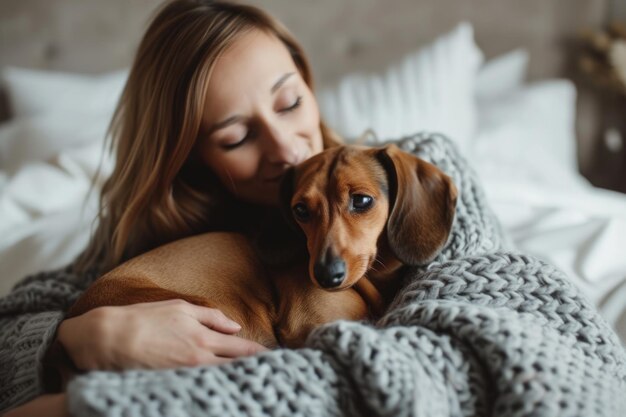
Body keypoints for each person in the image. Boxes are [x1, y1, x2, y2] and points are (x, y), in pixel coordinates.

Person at [1, 0, 341, 415]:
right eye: (236, 138)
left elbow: (438, 343)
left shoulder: (412, 178)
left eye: (289, 103)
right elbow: (12, 323)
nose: (287, 149)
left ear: (307, 80)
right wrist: (85, 333)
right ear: (191, 157)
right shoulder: (161, 248)